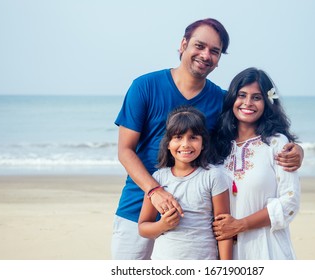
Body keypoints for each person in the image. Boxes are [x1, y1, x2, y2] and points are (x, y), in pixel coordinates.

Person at [112, 18, 303, 260]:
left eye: (215, 51)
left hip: (195, 225)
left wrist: (295, 149)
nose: (205, 55)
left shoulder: (221, 100)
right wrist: (155, 191)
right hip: (137, 210)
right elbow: (125, 151)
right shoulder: (144, 87)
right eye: (199, 46)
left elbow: (250, 130)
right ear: (183, 44)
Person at [211, 67, 301, 259]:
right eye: (242, 95)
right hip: (223, 250)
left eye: (257, 97)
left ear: (268, 102)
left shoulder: (277, 144)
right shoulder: (217, 144)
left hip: (266, 249)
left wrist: (240, 225)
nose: (248, 103)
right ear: (232, 99)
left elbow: (290, 203)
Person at [138, 106, 232, 260]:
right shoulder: (159, 178)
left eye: (193, 137)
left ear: (203, 143)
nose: (185, 144)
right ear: (168, 143)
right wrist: (163, 225)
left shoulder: (213, 176)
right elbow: (143, 228)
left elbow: (224, 229)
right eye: (178, 137)